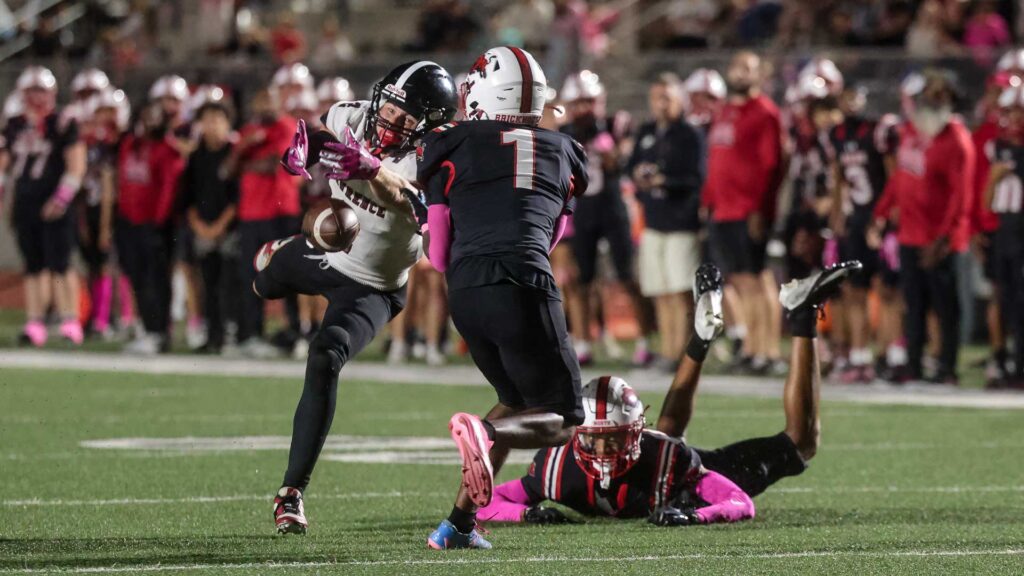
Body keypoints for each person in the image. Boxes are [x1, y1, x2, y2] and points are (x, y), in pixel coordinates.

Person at [478, 261, 861, 524]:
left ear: (637, 435)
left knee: (801, 442)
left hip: (675, 469)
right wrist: (526, 513)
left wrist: (695, 514)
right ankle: (702, 338)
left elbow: (737, 502)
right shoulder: (556, 471)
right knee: (672, 439)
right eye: (596, 441)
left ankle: (801, 316)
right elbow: (488, 503)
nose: (604, 454)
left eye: (613, 441)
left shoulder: (668, 459)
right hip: (663, 458)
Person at [263, 60, 458, 534]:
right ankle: (278, 255)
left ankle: (291, 493)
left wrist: (372, 170)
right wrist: (303, 147)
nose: (390, 122)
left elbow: (416, 205)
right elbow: (316, 134)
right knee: (264, 279)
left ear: (429, 127)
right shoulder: (351, 116)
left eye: (406, 119)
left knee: (326, 355)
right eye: (388, 109)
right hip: (323, 250)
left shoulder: (435, 156)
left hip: (373, 285)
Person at [417, 46, 587, 550]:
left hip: (465, 291)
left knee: (514, 402)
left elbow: (441, 253)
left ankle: (458, 526)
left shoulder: (451, 142)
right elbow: (551, 237)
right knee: (563, 420)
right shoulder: (566, 151)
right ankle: (485, 436)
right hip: (523, 280)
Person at [871, 70, 974, 384]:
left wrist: (943, 238)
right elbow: (901, 177)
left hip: (939, 239)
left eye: (938, 96)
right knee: (912, 303)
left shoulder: (956, 139)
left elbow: (961, 196)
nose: (929, 101)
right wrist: (882, 212)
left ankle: (947, 368)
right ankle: (913, 364)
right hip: (910, 234)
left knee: (945, 308)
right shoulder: (913, 131)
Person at [560, 70, 654, 366]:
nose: (583, 109)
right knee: (581, 281)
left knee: (627, 277)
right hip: (582, 212)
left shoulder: (616, 124)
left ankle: (643, 341)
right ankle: (583, 344)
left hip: (613, 208)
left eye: (588, 101)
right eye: (578, 102)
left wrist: (604, 142)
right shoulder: (563, 134)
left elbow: (619, 162)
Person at [703, 52, 784, 374]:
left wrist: (759, 209)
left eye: (747, 68)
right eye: (736, 67)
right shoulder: (724, 112)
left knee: (758, 279)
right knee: (741, 281)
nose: (740, 74)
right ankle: (752, 349)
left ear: (759, 74)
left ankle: (769, 351)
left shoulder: (765, 112)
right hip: (722, 209)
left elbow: (771, 165)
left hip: (747, 209)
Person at [0, 66, 87, 347]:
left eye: (41, 91)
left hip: (55, 202)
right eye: (31, 91)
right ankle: (35, 321)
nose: (36, 97)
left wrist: (61, 198)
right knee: (33, 266)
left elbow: (77, 164)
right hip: (26, 201)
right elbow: (4, 164)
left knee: (61, 265)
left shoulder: (63, 121)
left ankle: (69, 320)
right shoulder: (14, 124)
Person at [627, 73, 706, 372]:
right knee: (660, 291)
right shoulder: (647, 131)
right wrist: (638, 177)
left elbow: (697, 177)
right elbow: (631, 166)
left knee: (679, 291)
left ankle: (681, 352)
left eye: (668, 98)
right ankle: (667, 349)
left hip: (680, 220)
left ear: (680, 101)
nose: (662, 104)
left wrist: (665, 181)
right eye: (657, 98)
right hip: (653, 220)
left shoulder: (689, 134)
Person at [829, 87, 896, 383]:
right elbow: (838, 179)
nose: (850, 104)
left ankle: (891, 355)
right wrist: (837, 215)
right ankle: (858, 356)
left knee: (887, 290)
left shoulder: (878, 131)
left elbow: (893, 178)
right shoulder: (837, 134)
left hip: (879, 219)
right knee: (853, 290)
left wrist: (886, 218)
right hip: (856, 220)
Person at [229, 89, 301, 358]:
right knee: (251, 275)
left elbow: (274, 163)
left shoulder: (287, 126)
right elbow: (228, 168)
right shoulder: (249, 131)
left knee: (289, 275)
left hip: (280, 211)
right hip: (251, 214)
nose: (263, 106)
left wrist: (245, 160)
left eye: (267, 99)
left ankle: (294, 334)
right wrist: (244, 149)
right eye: (259, 100)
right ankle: (252, 334)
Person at [116, 102, 185, 354]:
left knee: (156, 280)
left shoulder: (167, 149)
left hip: (155, 226)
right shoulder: (130, 145)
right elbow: (122, 182)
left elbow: (168, 189)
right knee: (137, 278)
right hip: (129, 223)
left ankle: (159, 331)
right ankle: (147, 328)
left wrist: (158, 223)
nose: (149, 123)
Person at [180, 98, 239, 354]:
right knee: (208, 284)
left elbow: (238, 197)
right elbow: (187, 196)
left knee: (229, 284)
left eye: (218, 119)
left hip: (229, 228)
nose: (212, 124)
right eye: (207, 119)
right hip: (203, 227)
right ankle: (212, 335)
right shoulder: (196, 157)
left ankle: (230, 334)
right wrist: (200, 226)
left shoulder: (233, 154)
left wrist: (219, 226)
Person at [78, 87, 128, 339]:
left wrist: (107, 225)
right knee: (94, 266)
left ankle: (109, 318)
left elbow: (109, 188)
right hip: (91, 210)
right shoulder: (92, 143)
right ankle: (96, 316)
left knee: (111, 266)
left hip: (117, 210)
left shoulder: (121, 142)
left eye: (111, 110)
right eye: (102, 111)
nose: (106, 117)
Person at [982, 82, 1024, 388]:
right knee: (1006, 299)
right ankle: (1009, 361)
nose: (1011, 119)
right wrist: (993, 181)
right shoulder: (998, 148)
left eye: (1016, 112)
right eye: (1008, 112)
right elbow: (986, 202)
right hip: (1004, 232)